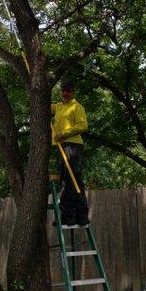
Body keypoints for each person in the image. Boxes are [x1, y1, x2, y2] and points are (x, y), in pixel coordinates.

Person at [51, 79, 90, 226]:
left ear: (73, 92)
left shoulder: (77, 107)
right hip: (61, 147)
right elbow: (44, 106)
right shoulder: (59, 106)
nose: (65, 93)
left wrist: (64, 134)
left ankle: (72, 215)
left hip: (73, 146)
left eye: (68, 91)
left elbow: (83, 125)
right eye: (63, 90)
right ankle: (75, 216)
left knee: (72, 181)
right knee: (69, 181)